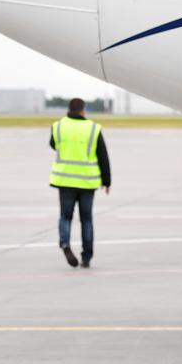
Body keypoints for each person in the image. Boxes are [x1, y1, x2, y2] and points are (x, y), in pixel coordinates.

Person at [48, 98, 110, 268]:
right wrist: (107, 181)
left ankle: (65, 243)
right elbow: (102, 156)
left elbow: (53, 144)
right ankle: (86, 256)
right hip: (86, 182)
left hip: (65, 180)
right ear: (83, 110)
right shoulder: (93, 128)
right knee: (86, 220)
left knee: (65, 216)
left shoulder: (58, 126)